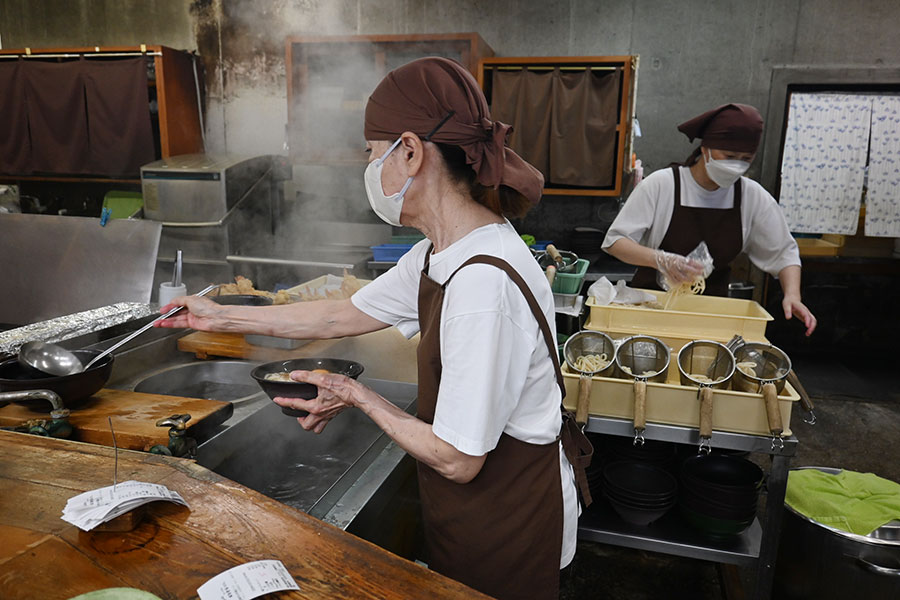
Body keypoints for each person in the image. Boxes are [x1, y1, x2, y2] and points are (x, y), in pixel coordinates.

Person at [155, 57, 592, 600]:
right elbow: (341, 314)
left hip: (510, 523)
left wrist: (354, 393)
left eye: (370, 153)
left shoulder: (483, 284)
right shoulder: (441, 251)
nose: (368, 168)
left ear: (409, 152)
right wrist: (219, 315)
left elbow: (458, 458)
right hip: (478, 513)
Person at [602, 103, 817, 336]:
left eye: (746, 159)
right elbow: (615, 241)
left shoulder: (752, 197)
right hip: (651, 308)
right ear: (705, 149)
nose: (736, 165)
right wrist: (661, 260)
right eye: (729, 156)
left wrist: (793, 295)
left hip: (711, 315)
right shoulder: (662, 185)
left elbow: (784, 253)